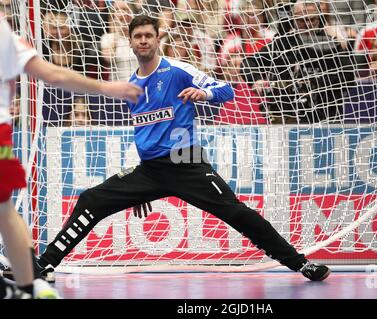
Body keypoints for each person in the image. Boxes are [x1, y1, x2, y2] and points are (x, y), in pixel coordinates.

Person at [35, 14, 330, 283]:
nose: (143, 41)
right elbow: (145, 133)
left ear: (157, 38)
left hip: (185, 161)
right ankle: (46, 265)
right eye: (138, 36)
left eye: (148, 35)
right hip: (150, 171)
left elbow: (227, 90)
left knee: (237, 214)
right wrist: (137, 190)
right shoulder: (131, 86)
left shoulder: (176, 70)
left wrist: (203, 93)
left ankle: (301, 264)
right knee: (91, 200)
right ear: (131, 41)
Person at [0, 11, 142, 298]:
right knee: (4, 210)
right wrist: (106, 88)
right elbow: (53, 74)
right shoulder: (5, 32)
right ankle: (30, 288)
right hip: (1, 130)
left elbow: (53, 73)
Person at [240, 0, 355, 124]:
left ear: (320, 19)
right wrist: (256, 80)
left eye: (312, 19)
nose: (308, 24)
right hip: (288, 118)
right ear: (293, 20)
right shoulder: (283, 44)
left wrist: (315, 84)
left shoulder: (331, 43)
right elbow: (248, 62)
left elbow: (348, 76)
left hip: (325, 118)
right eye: (301, 20)